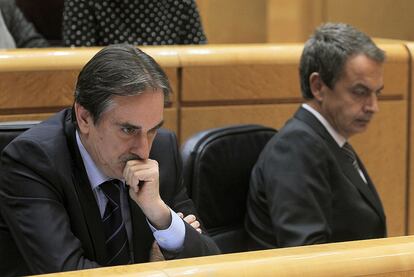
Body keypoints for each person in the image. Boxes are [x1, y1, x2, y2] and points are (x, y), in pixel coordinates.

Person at [0, 44, 219, 276]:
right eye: (127, 130)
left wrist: (161, 216)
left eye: (152, 130)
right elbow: (68, 273)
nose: (144, 150)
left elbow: (214, 265)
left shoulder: (162, 150)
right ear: (84, 117)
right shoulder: (33, 162)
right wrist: (153, 270)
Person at [245, 23, 387, 250]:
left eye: (376, 93)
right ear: (318, 86)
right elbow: (308, 256)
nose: (373, 106)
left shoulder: (328, 141)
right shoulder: (296, 148)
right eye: (360, 92)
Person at [62, 0, 207, 47]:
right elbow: (77, 64)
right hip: (106, 98)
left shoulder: (181, 2)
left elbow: (197, 63)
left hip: (167, 90)